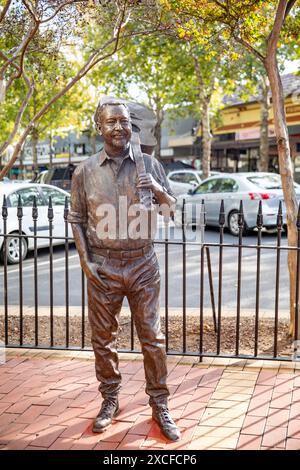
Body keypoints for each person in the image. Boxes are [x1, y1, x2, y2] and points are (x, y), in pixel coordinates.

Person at [68, 98, 180, 442]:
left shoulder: (149, 163)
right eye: (111, 122)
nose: (119, 127)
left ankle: (159, 404)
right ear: (99, 128)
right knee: (103, 340)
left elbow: (170, 212)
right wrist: (86, 261)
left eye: (124, 121)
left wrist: (159, 190)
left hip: (143, 262)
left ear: (132, 126)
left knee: (153, 338)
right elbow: (76, 219)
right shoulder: (85, 171)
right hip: (102, 266)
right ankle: (110, 400)